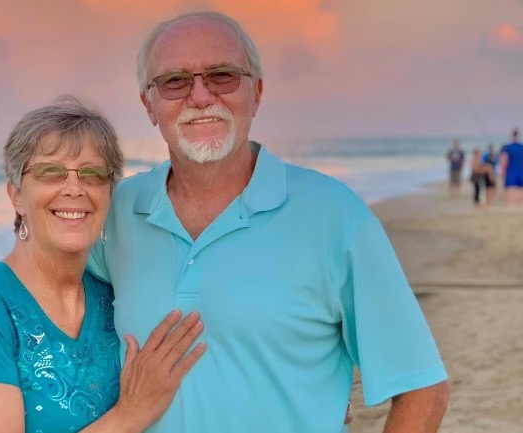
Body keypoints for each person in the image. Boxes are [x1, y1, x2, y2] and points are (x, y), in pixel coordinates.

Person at [85, 11, 449, 432]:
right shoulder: (115, 212)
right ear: (148, 104)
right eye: (174, 81)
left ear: (256, 92)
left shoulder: (334, 215)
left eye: (222, 76)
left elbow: (423, 389)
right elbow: (48, 304)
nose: (200, 96)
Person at [0, 97, 206, 433]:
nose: (74, 188)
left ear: (109, 194)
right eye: (50, 172)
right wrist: (131, 414)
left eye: (92, 173)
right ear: (16, 195)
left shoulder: (117, 299)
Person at [500, 128, 523, 205]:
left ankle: (511, 204)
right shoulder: (521, 146)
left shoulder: (507, 147)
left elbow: (503, 160)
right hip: (520, 170)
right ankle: (521, 205)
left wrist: (502, 172)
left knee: (510, 188)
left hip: (511, 170)